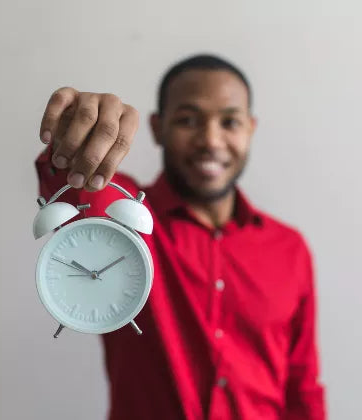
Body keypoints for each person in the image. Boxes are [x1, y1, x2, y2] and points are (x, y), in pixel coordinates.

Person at [35, 54, 326, 419]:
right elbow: (75, 187)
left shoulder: (289, 249)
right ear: (157, 128)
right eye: (188, 120)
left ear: (250, 129)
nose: (210, 140)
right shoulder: (124, 222)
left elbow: (301, 385)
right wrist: (75, 136)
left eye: (230, 122)